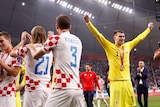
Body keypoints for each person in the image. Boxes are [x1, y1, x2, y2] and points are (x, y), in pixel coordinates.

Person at [83, 14, 153, 107]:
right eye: (120, 36)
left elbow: (139, 38)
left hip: (127, 82)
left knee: (130, 105)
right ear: (114, 37)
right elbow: (98, 36)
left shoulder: (128, 45)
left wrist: (148, 29)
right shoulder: (109, 46)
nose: (123, 38)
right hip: (116, 82)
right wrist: (88, 23)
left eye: (123, 36)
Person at [33, 14, 85, 107]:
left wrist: (45, 42)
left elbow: (36, 56)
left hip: (62, 88)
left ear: (56, 26)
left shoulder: (55, 39)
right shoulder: (78, 40)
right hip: (77, 88)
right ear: (70, 27)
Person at [10, 26, 53, 107]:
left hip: (33, 89)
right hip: (47, 89)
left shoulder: (28, 48)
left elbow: (12, 54)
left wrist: (22, 41)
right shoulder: (49, 49)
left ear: (33, 36)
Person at [0, 31, 22, 107]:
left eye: (1, 41)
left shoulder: (17, 55)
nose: (0, 44)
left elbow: (15, 72)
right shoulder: (1, 55)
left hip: (8, 95)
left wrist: (2, 64)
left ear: (9, 40)